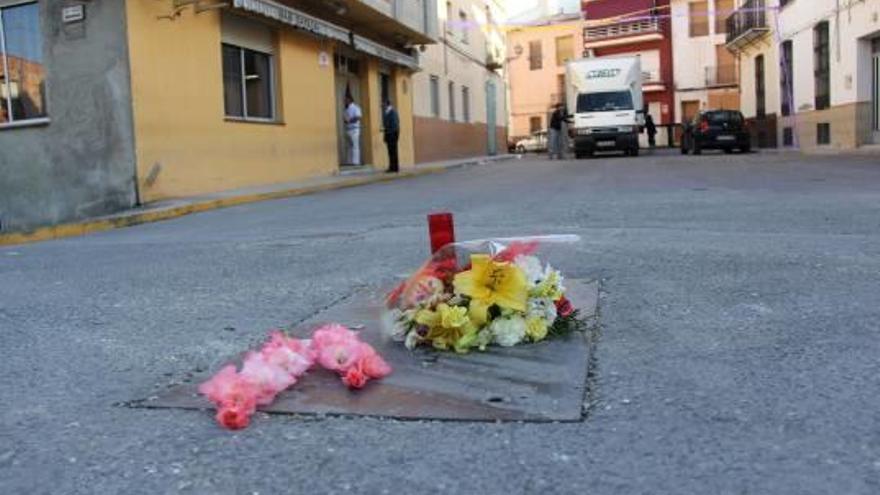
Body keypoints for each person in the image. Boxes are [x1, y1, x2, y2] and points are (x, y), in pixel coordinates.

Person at [343, 94, 362, 166]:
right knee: (349, 146)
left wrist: (349, 121)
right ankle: (349, 161)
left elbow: (358, 117)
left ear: (350, 100)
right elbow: (345, 119)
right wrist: (346, 121)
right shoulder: (346, 109)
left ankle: (356, 162)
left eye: (346, 100)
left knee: (355, 146)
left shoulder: (356, 108)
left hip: (354, 129)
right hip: (348, 129)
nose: (344, 101)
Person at [382, 100, 400, 173]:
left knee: (393, 152)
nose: (382, 106)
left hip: (392, 134)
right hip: (390, 134)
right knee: (391, 152)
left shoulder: (392, 112)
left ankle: (394, 168)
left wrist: (389, 131)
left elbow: (395, 124)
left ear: (387, 104)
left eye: (383, 104)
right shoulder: (387, 112)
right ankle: (392, 167)